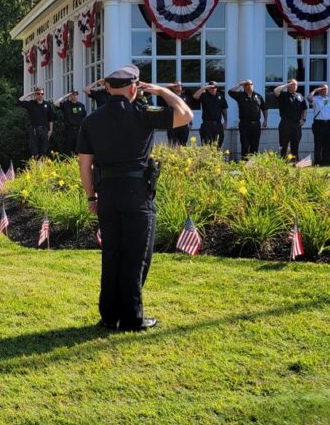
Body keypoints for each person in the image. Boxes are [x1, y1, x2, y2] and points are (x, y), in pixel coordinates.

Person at [77, 64, 193, 331]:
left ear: (107, 87)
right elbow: (185, 115)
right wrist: (163, 91)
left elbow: (85, 165)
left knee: (113, 254)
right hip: (137, 193)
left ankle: (109, 315)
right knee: (136, 256)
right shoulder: (144, 113)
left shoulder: (91, 120)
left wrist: (91, 197)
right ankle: (131, 317)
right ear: (134, 88)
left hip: (107, 193)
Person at [228, 80, 268, 160]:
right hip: (244, 124)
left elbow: (264, 108)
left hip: (256, 124)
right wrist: (239, 84)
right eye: (245, 85)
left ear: (252, 85)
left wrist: (265, 120)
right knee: (245, 145)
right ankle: (244, 164)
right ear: (243, 86)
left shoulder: (258, 96)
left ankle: (252, 165)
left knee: (255, 145)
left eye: (249, 84)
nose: (248, 86)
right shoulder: (240, 96)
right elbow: (230, 92)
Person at [273, 78, 308, 162]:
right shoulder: (283, 95)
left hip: (296, 124)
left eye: (296, 84)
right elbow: (275, 91)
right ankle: (282, 164)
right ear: (288, 85)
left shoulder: (299, 96)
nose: (294, 86)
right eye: (292, 84)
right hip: (285, 123)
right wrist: (286, 85)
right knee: (283, 145)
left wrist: (303, 119)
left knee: (295, 145)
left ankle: (294, 163)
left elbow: (305, 108)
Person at [17, 87, 55, 158]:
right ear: (35, 94)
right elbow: (20, 101)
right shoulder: (31, 104)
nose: (40, 95)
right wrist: (30, 94)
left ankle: (42, 168)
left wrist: (51, 130)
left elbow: (51, 118)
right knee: (35, 152)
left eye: (42, 93)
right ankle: (35, 167)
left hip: (44, 130)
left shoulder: (48, 105)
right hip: (34, 129)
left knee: (44, 151)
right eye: (38, 93)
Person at [193, 81, 228, 148]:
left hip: (218, 125)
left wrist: (226, 121)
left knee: (219, 144)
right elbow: (195, 96)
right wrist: (204, 88)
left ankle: (217, 158)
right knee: (206, 145)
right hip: (207, 124)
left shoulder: (220, 97)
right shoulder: (204, 96)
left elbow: (224, 109)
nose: (213, 89)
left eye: (215, 87)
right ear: (208, 88)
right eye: (211, 87)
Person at [309, 85, 330, 166]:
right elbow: (308, 98)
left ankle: (326, 161)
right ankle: (317, 162)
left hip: (329, 124)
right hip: (318, 124)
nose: (324, 90)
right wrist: (315, 90)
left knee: (328, 144)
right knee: (318, 144)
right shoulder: (316, 99)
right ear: (319, 90)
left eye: (326, 89)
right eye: (323, 89)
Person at [55, 90, 87, 155]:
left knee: (79, 149)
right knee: (69, 150)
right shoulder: (66, 104)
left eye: (76, 94)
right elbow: (56, 103)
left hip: (79, 131)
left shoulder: (81, 105)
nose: (75, 96)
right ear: (70, 96)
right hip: (69, 131)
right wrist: (66, 96)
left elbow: (84, 118)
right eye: (73, 94)